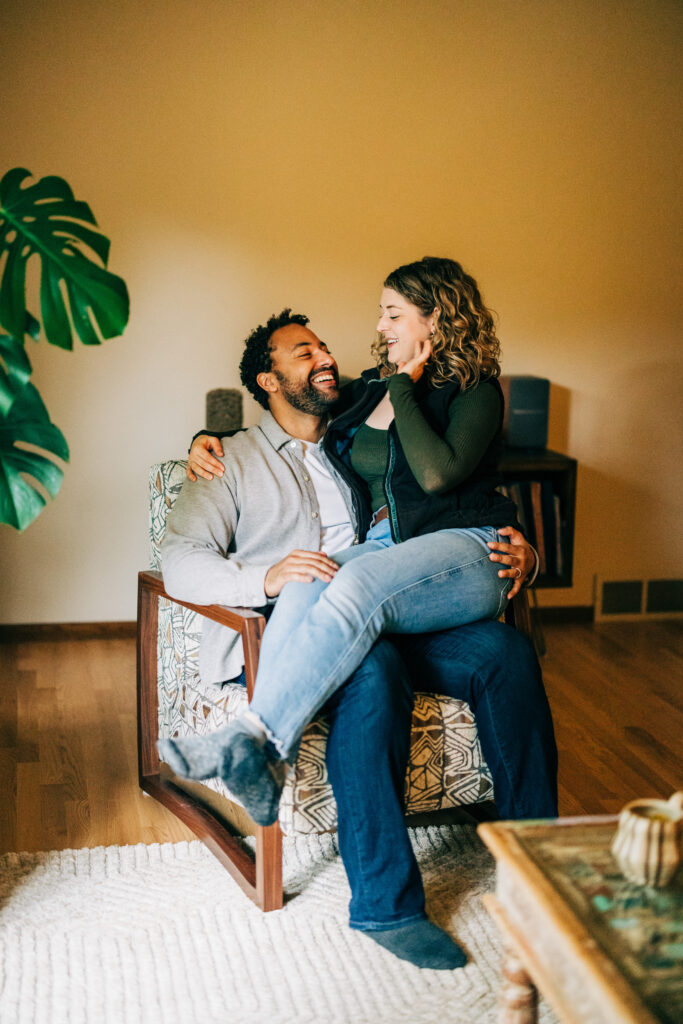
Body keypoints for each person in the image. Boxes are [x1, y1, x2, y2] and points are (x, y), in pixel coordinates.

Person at [160, 287, 557, 970]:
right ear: (265, 379)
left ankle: (536, 859)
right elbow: (180, 564)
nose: (324, 357)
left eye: (322, 348)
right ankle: (384, 903)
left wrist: (527, 549)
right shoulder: (229, 458)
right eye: (302, 352)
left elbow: (455, 490)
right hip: (317, 631)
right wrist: (264, 578)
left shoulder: (354, 435)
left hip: (403, 606)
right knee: (372, 676)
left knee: (505, 652)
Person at [163, 258, 531, 819]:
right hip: (394, 554)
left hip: (465, 544)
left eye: (393, 313)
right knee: (312, 580)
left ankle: (257, 741)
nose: (379, 327)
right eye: (381, 313)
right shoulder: (362, 398)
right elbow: (295, 415)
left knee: (492, 646)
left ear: (434, 318)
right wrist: (205, 437)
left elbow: (440, 476)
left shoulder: (470, 390)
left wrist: (528, 544)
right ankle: (263, 755)